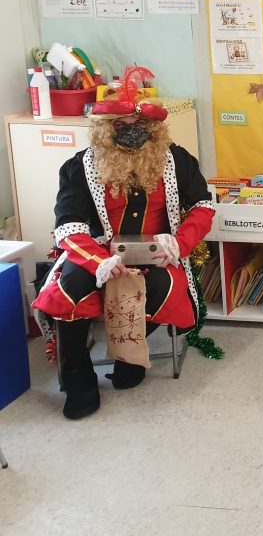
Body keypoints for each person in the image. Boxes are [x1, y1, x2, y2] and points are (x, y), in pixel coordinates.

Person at [33, 78, 214, 419]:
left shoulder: (177, 160)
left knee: (162, 288)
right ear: (105, 128)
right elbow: (69, 226)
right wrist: (99, 262)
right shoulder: (80, 166)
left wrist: (178, 243)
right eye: (121, 124)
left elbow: (203, 207)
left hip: (157, 251)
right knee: (69, 290)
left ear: (153, 127)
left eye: (140, 123)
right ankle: (78, 376)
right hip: (95, 251)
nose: (132, 130)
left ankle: (130, 356)